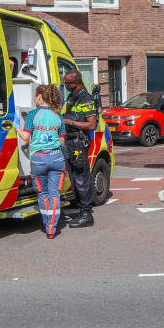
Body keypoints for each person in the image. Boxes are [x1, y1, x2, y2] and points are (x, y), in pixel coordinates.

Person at [19, 84, 65, 239]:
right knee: (54, 195)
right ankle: (52, 229)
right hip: (57, 157)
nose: (34, 99)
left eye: (35, 96)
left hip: (39, 159)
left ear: (39, 96)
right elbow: (62, 139)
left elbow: (25, 137)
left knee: (43, 194)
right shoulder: (58, 116)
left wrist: (15, 126)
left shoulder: (32, 115)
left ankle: (47, 224)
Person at [61, 71, 97, 228]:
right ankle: (82, 209)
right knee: (75, 177)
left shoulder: (86, 99)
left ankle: (86, 214)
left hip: (79, 144)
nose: (65, 86)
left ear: (75, 83)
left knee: (81, 177)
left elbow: (91, 124)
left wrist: (69, 122)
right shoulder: (72, 97)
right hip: (70, 142)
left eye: (67, 83)